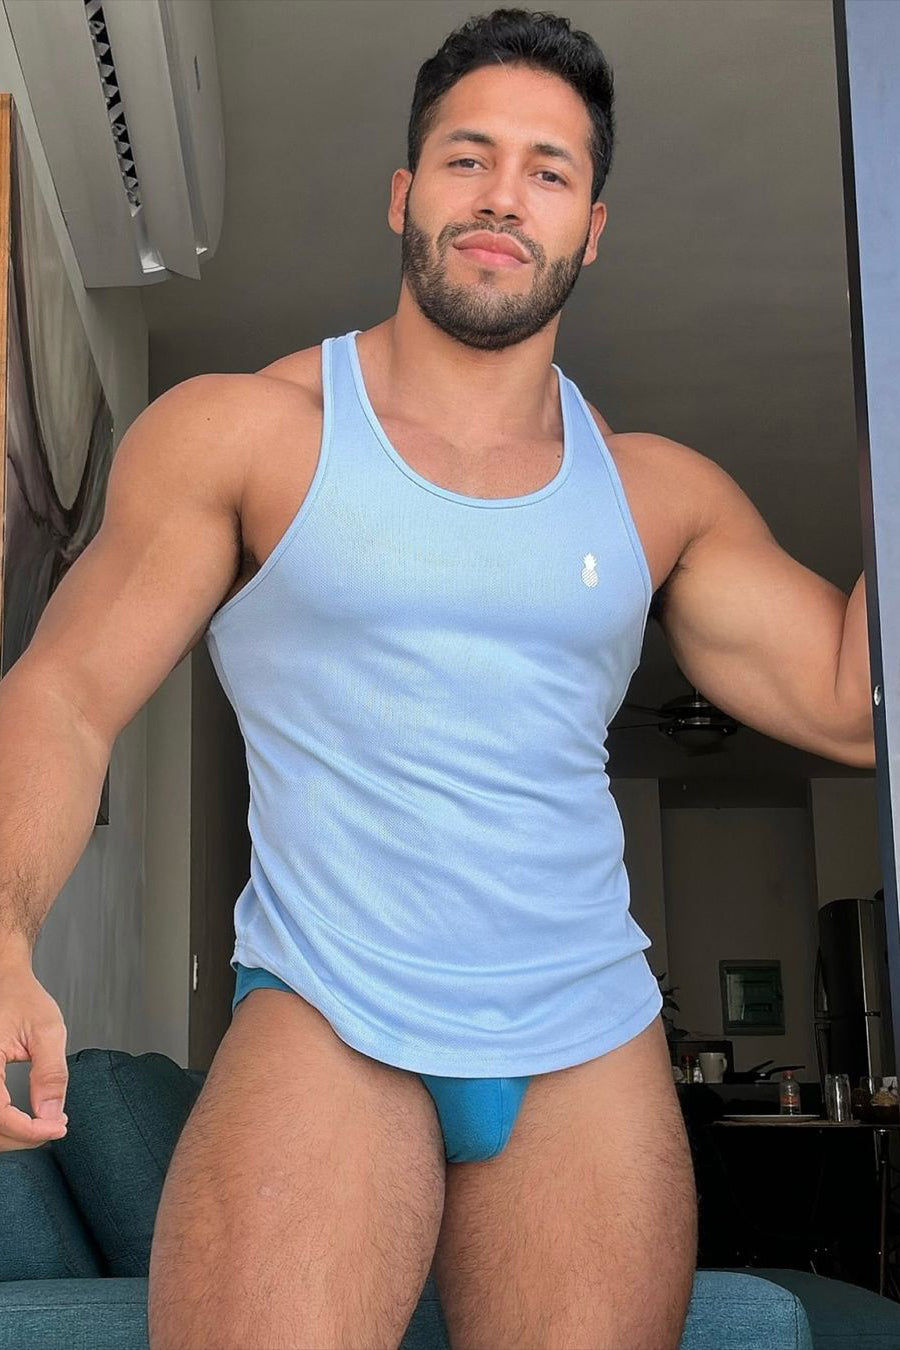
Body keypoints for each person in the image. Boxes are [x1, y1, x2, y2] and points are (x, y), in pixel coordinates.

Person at [0, 7, 875, 1349]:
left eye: (548, 170)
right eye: (470, 158)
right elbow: (63, 692)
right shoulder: (249, 435)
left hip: (586, 1032)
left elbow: (855, 702)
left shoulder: (658, 497)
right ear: (405, 193)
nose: (503, 196)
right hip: (331, 1012)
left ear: (593, 227)